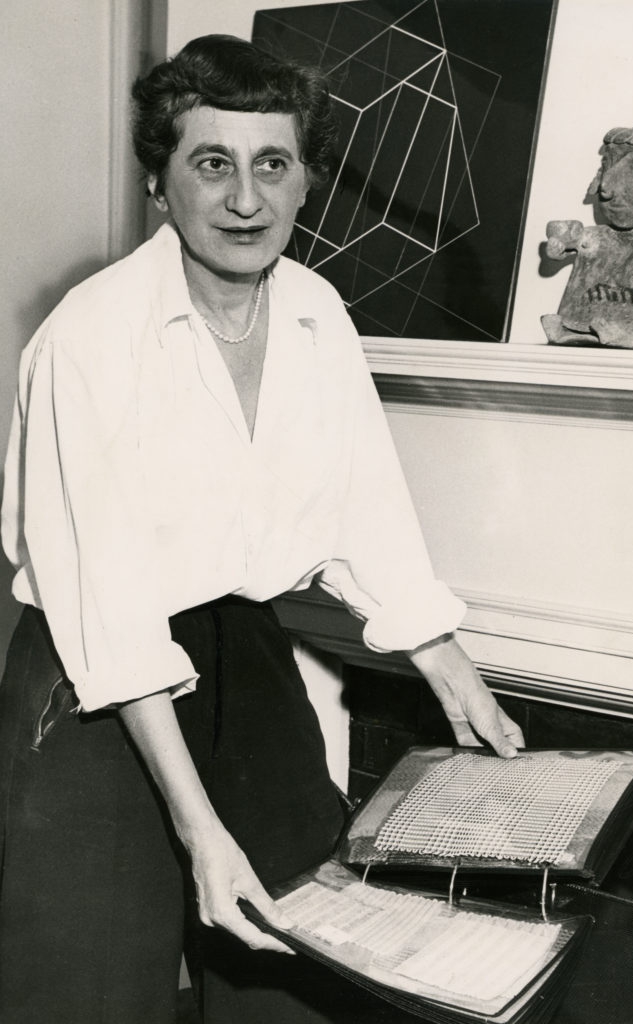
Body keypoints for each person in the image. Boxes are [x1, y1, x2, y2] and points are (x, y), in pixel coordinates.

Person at [0, 34, 524, 1024]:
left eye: (271, 164)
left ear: (304, 182)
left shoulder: (320, 314)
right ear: (160, 183)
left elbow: (366, 503)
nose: (246, 198)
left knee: (300, 969)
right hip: (92, 678)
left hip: (243, 646)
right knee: (90, 988)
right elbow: (108, 613)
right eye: (212, 163)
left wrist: (446, 662)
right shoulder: (90, 336)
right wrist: (200, 828)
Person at [542, 123, 633, 348]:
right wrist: (562, 240)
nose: (606, 187)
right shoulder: (597, 241)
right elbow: (565, 233)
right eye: (607, 165)